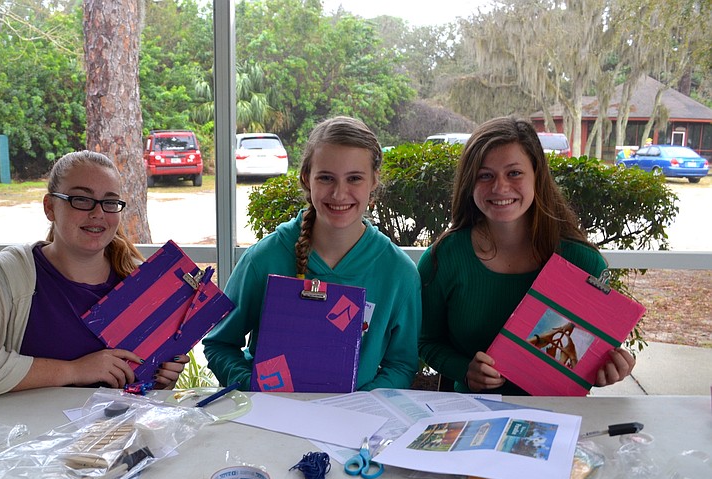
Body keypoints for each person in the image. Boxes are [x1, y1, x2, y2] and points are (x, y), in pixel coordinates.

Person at [0, 150, 188, 398]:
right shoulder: (10, 275)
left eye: (109, 202)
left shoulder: (139, 281)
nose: (98, 213)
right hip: (27, 439)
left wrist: (161, 379)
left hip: (115, 439)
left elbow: (145, 395)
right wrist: (74, 370)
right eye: (81, 200)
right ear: (50, 207)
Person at [418, 117, 635, 395]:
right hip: (472, 416)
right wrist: (464, 369)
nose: (499, 187)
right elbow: (425, 342)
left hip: (559, 417)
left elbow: (586, 355)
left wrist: (611, 367)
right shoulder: (444, 258)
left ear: (537, 176)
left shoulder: (582, 263)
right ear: (469, 183)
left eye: (514, 173)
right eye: (485, 175)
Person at [203, 116, 421, 391]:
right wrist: (256, 387)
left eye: (354, 178)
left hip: (354, 424)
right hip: (271, 422)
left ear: (374, 180)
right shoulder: (264, 259)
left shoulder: (398, 273)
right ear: (307, 178)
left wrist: (362, 404)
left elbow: (401, 364)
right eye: (326, 178)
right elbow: (219, 344)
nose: (340, 193)